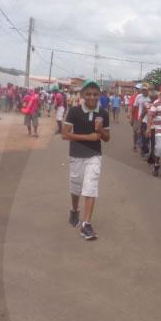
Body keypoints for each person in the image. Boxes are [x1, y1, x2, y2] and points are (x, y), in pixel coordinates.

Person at [62, 79, 110, 240]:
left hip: (94, 155)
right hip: (76, 154)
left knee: (91, 185)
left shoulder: (103, 113)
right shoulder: (74, 111)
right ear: (82, 95)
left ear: (100, 95)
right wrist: (87, 137)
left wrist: (100, 130)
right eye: (88, 94)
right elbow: (65, 134)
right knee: (76, 187)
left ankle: (86, 225)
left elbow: (107, 138)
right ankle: (74, 210)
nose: (92, 97)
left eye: (95, 94)